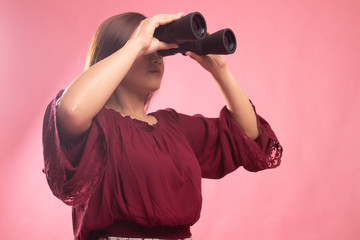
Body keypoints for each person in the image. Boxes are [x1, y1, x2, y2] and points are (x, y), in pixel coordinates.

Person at [42, 12, 283, 240]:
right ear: (116, 56)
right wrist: (137, 44)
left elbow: (249, 136)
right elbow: (70, 111)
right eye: (148, 50)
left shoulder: (174, 128)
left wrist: (220, 70)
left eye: (160, 50)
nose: (156, 57)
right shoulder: (97, 127)